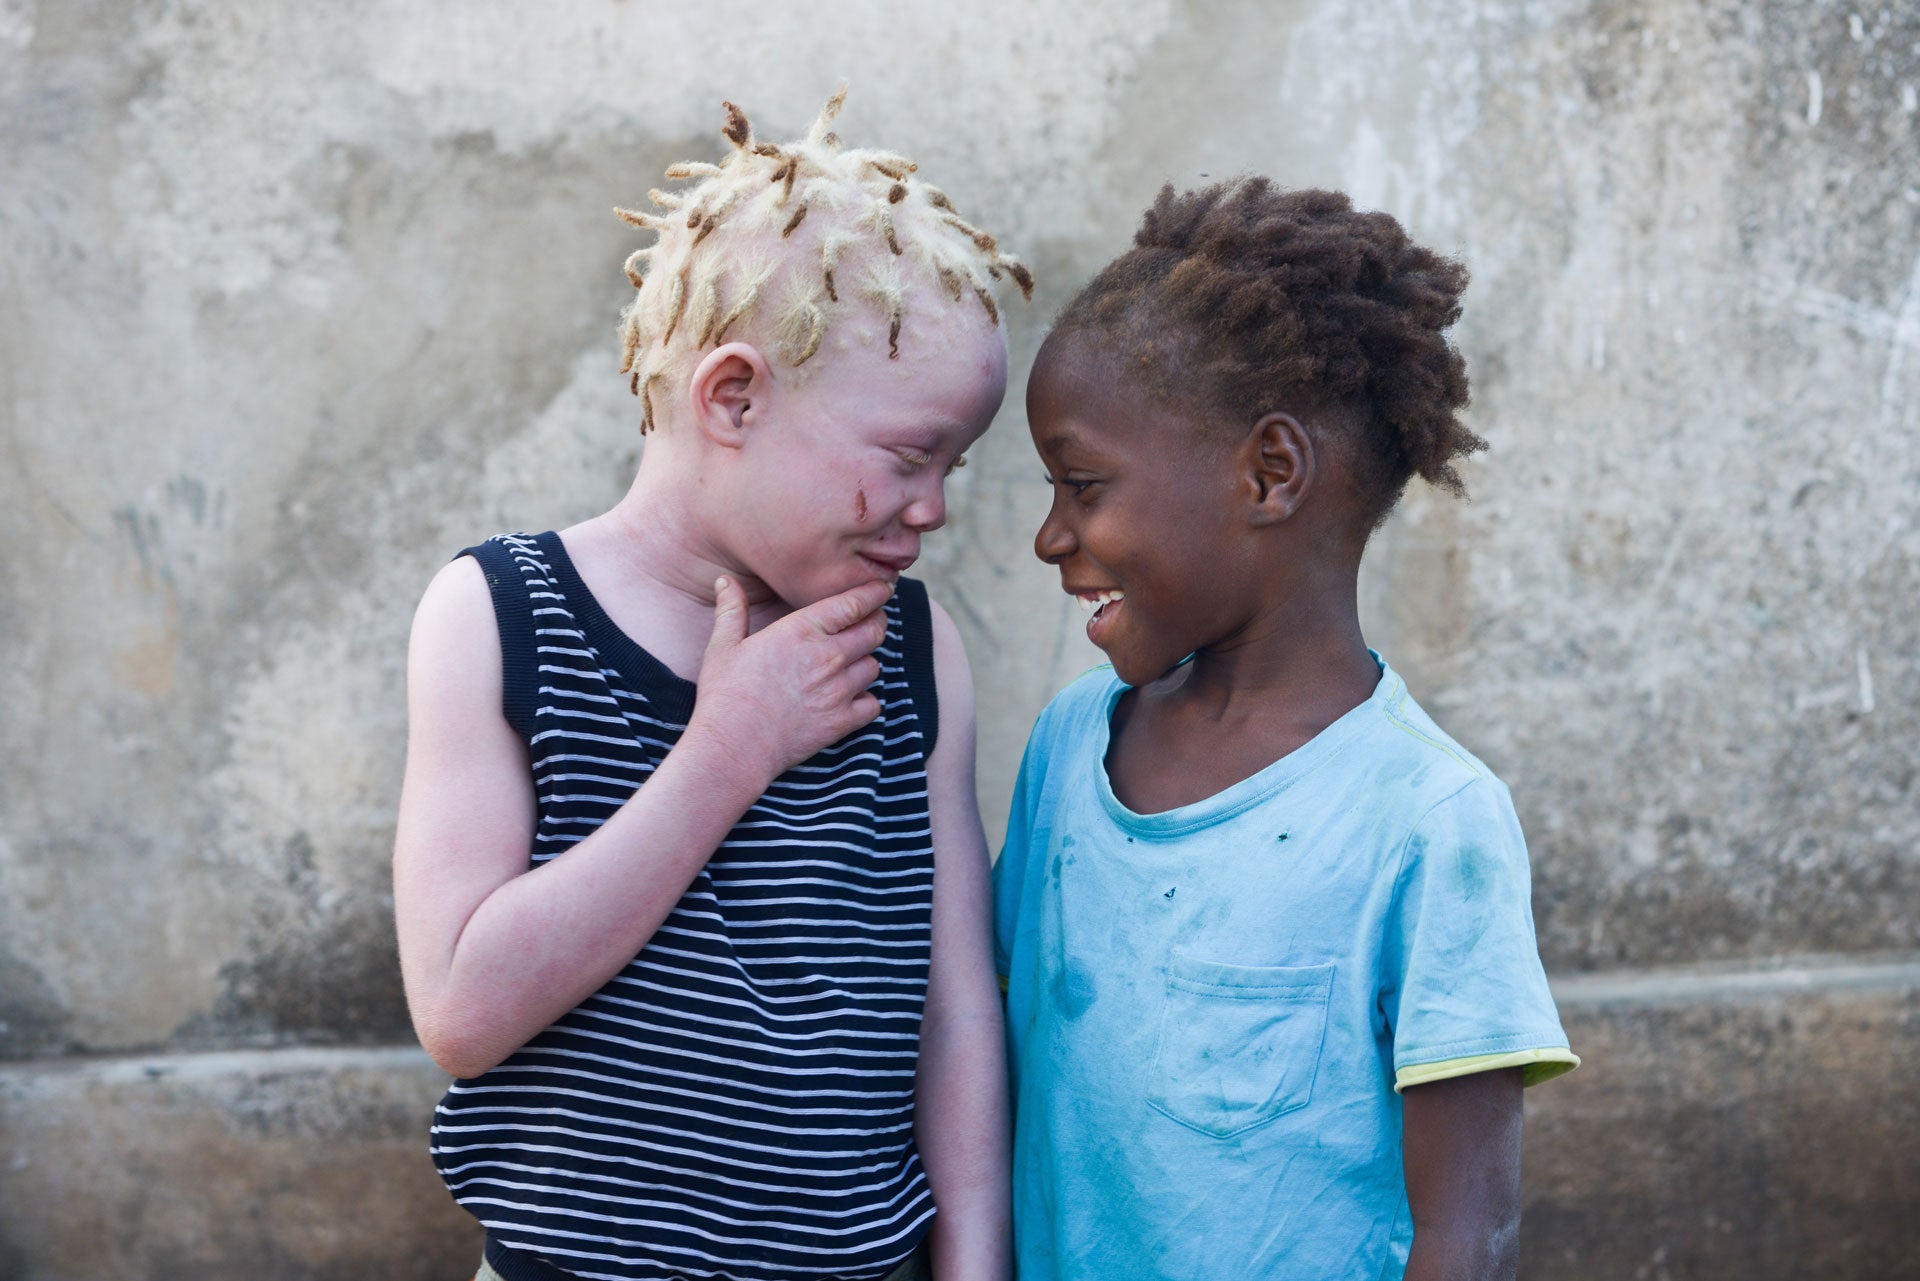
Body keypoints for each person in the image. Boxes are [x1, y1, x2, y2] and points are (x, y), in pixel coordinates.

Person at [393, 90, 1028, 1281]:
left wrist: (974, 1262)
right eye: (906, 457)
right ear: (731, 398)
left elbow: (953, 1007)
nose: (935, 507)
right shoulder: (495, 618)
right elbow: (464, 1012)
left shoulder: (911, 647)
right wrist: (729, 749)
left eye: (956, 464)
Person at [994, 179, 1578, 1281]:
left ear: (1269, 472)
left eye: (1082, 485)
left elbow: (1470, 1234)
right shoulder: (1071, 750)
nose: (1049, 535)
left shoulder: (1430, 823)